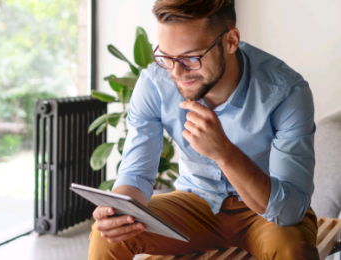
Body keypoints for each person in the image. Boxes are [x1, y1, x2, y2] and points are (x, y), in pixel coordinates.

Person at [89, 0, 319, 259]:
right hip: (195, 203)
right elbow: (136, 174)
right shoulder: (154, 84)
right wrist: (118, 211)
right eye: (166, 56)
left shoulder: (286, 91)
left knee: (292, 250)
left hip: (265, 210)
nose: (176, 71)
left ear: (230, 41)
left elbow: (289, 211)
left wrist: (224, 152)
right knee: (106, 236)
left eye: (190, 57)